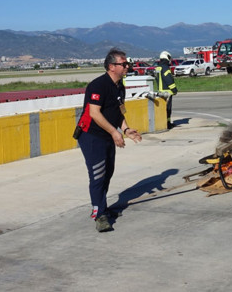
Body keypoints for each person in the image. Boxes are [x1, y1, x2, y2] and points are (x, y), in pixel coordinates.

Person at [75, 48, 143, 232]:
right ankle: (99, 215)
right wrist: (114, 132)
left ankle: (103, 207)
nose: (127, 66)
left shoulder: (120, 86)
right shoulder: (98, 85)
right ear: (112, 66)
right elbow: (94, 113)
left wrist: (126, 129)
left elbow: (119, 111)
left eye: (127, 63)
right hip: (91, 136)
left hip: (107, 135)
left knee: (108, 173)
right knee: (98, 175)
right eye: (124, 64)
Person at [154, 51, 178, 129]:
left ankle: (164, 123)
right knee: (168, 109)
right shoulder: (165, 68)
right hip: (167, 92)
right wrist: (174, 90)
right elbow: (169, 80)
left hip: (160, 91)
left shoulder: (158, 68)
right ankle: (168, 124)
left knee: (162, 109)